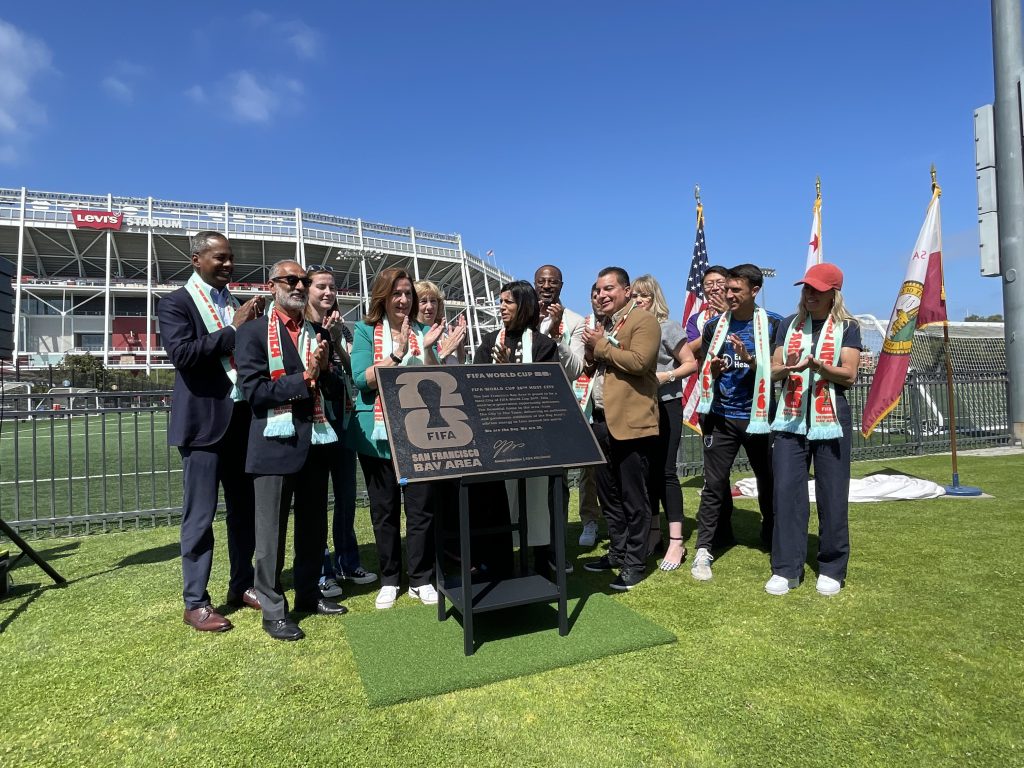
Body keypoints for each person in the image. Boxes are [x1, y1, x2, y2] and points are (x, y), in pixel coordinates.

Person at [235, 260, 348, 641]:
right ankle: (273, 609)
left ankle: (308, 594)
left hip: (315, 443)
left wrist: (326, 372)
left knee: (313, 529)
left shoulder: (318, 333)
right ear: (273, 286)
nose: (299, 286)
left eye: (303, 280)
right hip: (273, 445)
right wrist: (306, 377)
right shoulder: (251, 334)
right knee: (270, 536)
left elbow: (332, 390)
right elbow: (254, 392)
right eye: (291, 280)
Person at [158, 231, 261, 632]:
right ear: (196, 260)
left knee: (243, 513)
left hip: (240, 422)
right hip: (202, 426)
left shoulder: (232, 304)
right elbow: (182, 355)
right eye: (219, 258)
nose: (228, 264)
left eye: (231, 257)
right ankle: (195, 601)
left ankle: (243, 584)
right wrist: (234, 331)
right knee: (199, 517)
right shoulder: (175, 304)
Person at [348, 268, 445, 609]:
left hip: (418, 431)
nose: (404, 300)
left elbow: (437, 381)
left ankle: (421, 578)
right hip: (377, 435)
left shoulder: (423, 331)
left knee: (421, 509)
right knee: (384, 510)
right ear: (383, 298)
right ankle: (390, 578)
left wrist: (430, 349)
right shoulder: (364, 331)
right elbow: (362, 379)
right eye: (397, 294)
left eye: (408, 293)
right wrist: (397, 352)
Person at [765, 263, 862, 596]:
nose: (809, 295)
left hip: (832, 417)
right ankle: (786, 569)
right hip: (790, 420)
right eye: (806, 289)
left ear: (833, 293)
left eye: (816, 290)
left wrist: (820, 366)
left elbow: (849, 375)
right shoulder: (786, 326)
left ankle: (832, 568)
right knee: (786, 493)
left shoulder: (848, 327)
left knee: (832, 494)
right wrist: (787, 367)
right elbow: (774, 371)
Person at [689, 264, 780, 582]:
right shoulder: (714, 326)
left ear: (754, 291)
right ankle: (705, 549)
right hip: (722, 416)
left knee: (769, 482)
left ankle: (772, 538)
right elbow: (705, 368)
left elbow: (778, 373)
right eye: (726, 289)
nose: (727, 295)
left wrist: (751, 359)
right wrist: (711, 372)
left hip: (761, 418)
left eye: (735, 291)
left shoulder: (773, 324)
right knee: (714, 485)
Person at [581, 267, 660, 591]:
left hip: (631, 424)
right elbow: (595, 366)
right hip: (600, 421)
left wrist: (600, 346)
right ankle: (617, 552)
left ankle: (635, 563)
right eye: (598, 290)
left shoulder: (644, 321)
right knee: (609, 496)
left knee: (633, 498)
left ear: (627, 291)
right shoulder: (604, 325)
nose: (601, 295)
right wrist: (592, 350)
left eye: (609, 288)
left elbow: (640, 362)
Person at [473, 281, 560, 574]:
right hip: (497, 440)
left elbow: (548, 393)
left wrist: (513, 372)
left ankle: (541, 562)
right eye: (501, 302)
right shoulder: (488, 343)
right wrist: (498, 374)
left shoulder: (544, 346)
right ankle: (497, 564)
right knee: (496, 504)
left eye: (508, 302)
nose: (501, 307)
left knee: (536, 505)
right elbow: (476, 391)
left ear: (524, 305)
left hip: (536, 442)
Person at [304, 265, 378, 597]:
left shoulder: (342, 329)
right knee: (317, 499)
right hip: (315, 422)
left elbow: (354, 372)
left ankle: (348, 561)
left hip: (344, 419)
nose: (328, 292)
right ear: (307, 289)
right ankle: (322, 570)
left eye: (332, 287)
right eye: (321, 286)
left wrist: (336, 341)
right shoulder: (298, 326)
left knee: (347, 496)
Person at [632, 274, 697, 571]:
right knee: (647, 474)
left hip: (667, 405)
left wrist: (666, 377)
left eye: (643, 295)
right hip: (640, 408)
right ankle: (654, 532)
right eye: (633, 295)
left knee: (667, 472)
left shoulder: (667, 327)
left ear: (654, 297)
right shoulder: (631, 329)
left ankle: (676, 541)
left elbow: (690, 362)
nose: (638, 300)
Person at [533, 265, 590, 550]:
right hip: (521, 412)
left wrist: (556, 337)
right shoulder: (521, 314)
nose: (546, 286)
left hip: (556, 412)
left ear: (561, 286)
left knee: (557, 485)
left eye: (552, 282)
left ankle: (556, 549)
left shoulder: (575, 321)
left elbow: (576, 369)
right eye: (541, 281)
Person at [575, 285, 604, 548]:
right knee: (588, 469)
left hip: (611, 404)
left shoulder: (619, 323)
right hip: (584, 403)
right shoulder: (579, 324)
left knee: (612, 468)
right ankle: (589, 520)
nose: (599, 298)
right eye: (594, 294)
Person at [415, 279, 467, 364]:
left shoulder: (445, 336)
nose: (430, 306)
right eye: (423, 301)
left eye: (433, 301)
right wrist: (444, 352)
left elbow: (460, 364)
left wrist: (459, 343)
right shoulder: (412, 335)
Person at [685, 266, 731, 343]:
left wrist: (728, 314)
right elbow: (690, 350)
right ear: (703, 289)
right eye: (709, 284)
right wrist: (710, 329)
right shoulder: (696, 319)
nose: (715, 287)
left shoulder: (743, 311)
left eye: (720, 282)